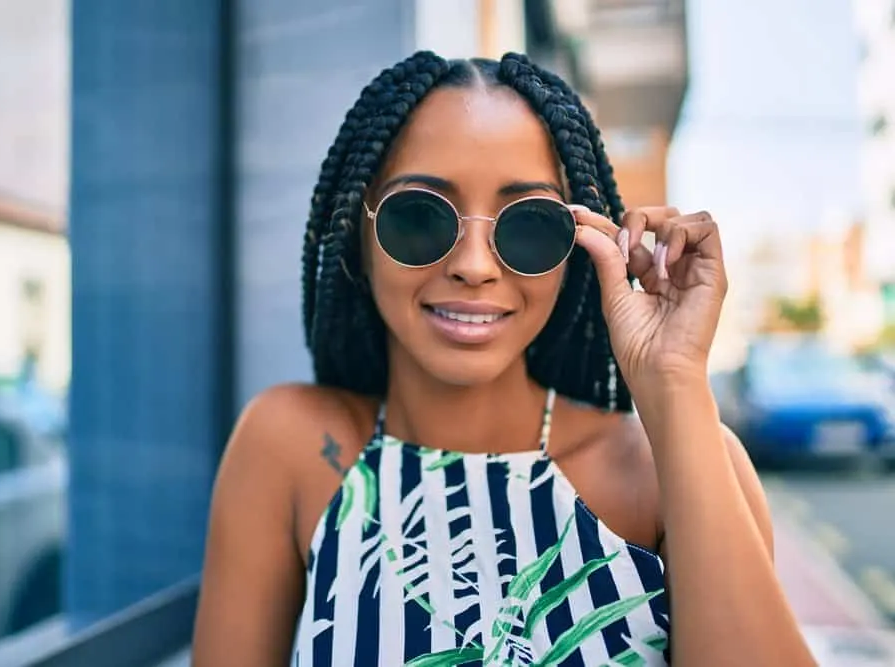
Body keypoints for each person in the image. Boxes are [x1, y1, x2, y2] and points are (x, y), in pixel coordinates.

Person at [193, 51, 814, 666]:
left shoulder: (673, 467)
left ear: (579, 249)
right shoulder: (291, 449)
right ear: (358, 236)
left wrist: (673, 383)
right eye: (419, 216)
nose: (473, 264)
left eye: (529, 225)